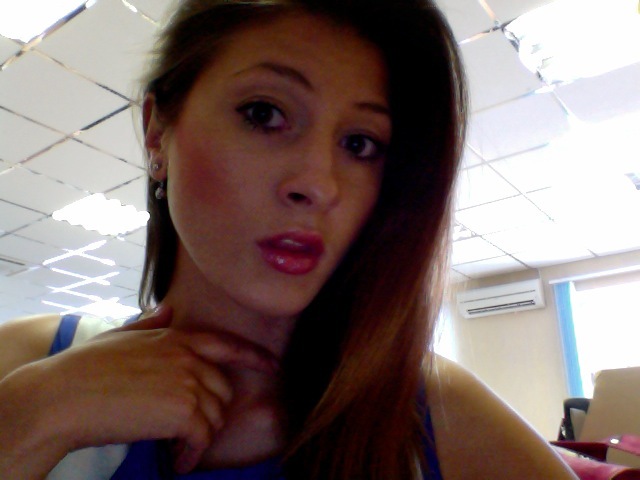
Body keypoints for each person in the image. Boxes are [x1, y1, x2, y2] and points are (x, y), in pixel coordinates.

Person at [0, 0, 577, 479]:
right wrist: (29, 422)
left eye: (360, 144)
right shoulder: (24, 365)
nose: (318, 185)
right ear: (157, 132)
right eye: (263, 113)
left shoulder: (437, 417)